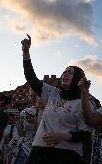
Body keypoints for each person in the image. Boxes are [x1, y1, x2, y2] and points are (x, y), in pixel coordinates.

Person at [21, 34, 94, 164]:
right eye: (64, 72)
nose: (65, 74)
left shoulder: (84, 102)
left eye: (70, 72)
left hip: (66, 156)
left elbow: (87, 135)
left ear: (78, 78)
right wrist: (26, 53)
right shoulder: (53, 93)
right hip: (38, 152)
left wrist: (64, 136)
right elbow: (31, 78)